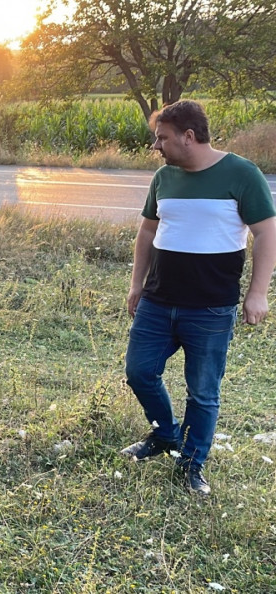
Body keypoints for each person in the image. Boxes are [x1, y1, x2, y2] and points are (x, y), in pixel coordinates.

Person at [121, 99, 276, 496]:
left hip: (210, 307)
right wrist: (137, 284)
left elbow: (266, 233)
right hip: (157, 300)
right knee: (140, 371)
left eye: (162, 138)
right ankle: (166, 434)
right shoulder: (164, 177)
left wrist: (258, 292)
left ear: (188, 137)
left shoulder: (242, 174)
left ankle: (192, 463)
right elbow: (146, 232)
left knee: (203, 392)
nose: (157, 146)